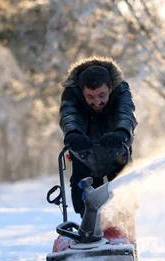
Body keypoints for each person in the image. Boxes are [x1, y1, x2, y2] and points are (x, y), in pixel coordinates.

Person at [59, 56, 137, 216]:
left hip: (117, 153)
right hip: (84, 155)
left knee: (125, 202)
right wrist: (73, 133)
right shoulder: (72, 93)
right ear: (82, 91)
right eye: (90, 97)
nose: (96, 102)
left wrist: (122, 132)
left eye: (102, 95)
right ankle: (90, 234)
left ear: (110, 87)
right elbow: (69, 114)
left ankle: (124, 233)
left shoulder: (121, 90)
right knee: (84, 205)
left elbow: (125, 113)